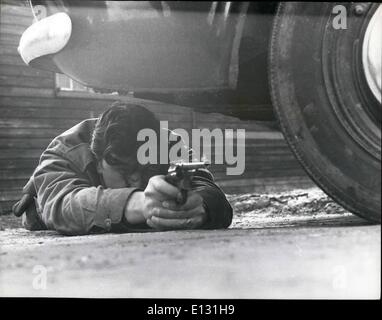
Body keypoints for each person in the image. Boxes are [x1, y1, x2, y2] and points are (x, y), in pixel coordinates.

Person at [12, 101, 233, 235]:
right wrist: (140, 203)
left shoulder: (167, 144)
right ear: (97, 161)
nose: (136, 181)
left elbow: (209, 189)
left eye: (143, 170)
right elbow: (61, 205)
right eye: (125, 172)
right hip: (47, 202)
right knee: (36, 214)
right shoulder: (64, 150)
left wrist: (199, 207)